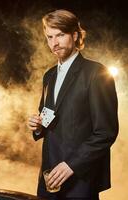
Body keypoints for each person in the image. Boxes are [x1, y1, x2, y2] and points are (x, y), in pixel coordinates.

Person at [28, 9, 119, 200]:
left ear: (75, 35)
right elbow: (47, 117)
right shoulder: (49, 75)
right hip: (49, 176)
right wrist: (38, 126)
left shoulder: (96, 73)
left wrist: (71, 165)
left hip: (80, 179)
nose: (54, 43)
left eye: (60, 35)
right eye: (49, 37)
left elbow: (105, 132)